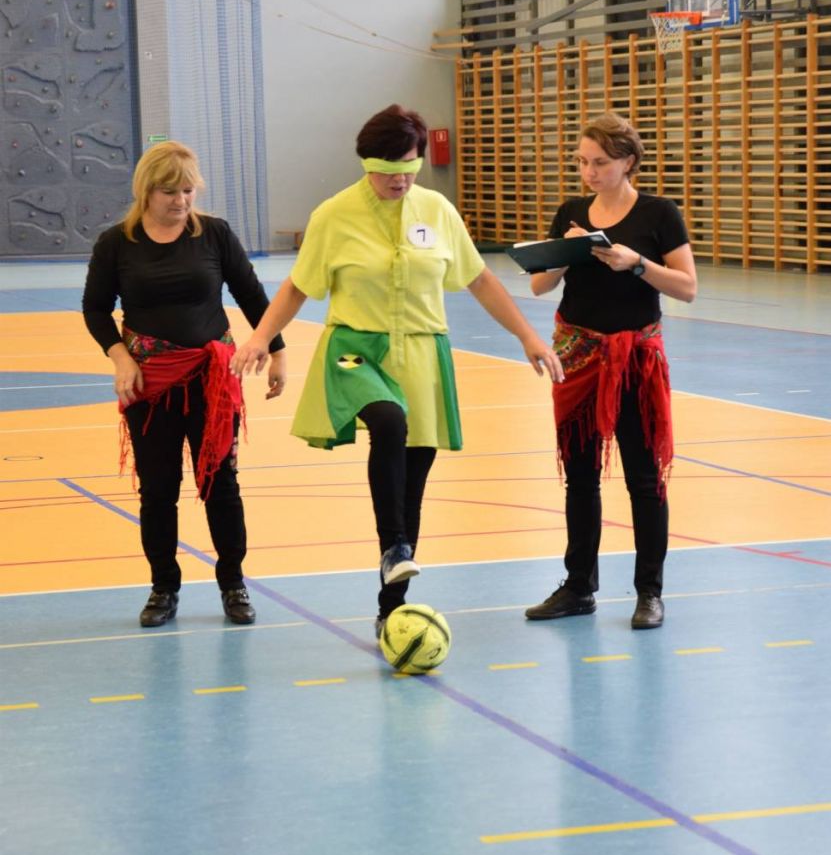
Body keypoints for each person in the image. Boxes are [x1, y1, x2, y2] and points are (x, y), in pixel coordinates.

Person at [231, 104, 563, 637]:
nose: (399, 180)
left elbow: (479, 280)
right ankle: (394, 547)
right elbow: (297, 287)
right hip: (353, 351)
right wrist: (260, 338)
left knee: (413, 480)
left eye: (409, 167)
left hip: (423, 354)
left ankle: (392, 605)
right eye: (387, 170)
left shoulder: (436, 210)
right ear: (366, 164)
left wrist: (527, 336)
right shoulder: (334, 215)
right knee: (388, 421)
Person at [82, 140, 286, 628]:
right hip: (150, 387)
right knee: (158, 490)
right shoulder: (116, 243)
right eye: (170, 192)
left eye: (189, 190)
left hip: (213, 383)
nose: (182, 200)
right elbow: (95, 308)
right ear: (146, 191)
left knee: (221, 485)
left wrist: (276, 352)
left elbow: (252, 295)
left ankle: (233, 583)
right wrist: (120, 358)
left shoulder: (214, 234)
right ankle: (163, 588)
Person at [524, 111, 697, 630]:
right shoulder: (572, 211)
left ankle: (650, 592)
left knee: (644, 478)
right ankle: (579, 586)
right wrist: (568, 252)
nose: (589, 172)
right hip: (578, 356)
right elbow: (539, 285)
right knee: (579, 477)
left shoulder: (658, 213)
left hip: (635, 361)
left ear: (627, 162)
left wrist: (635, 263)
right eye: (582, 162)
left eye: (599, 162)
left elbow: (687, 287)